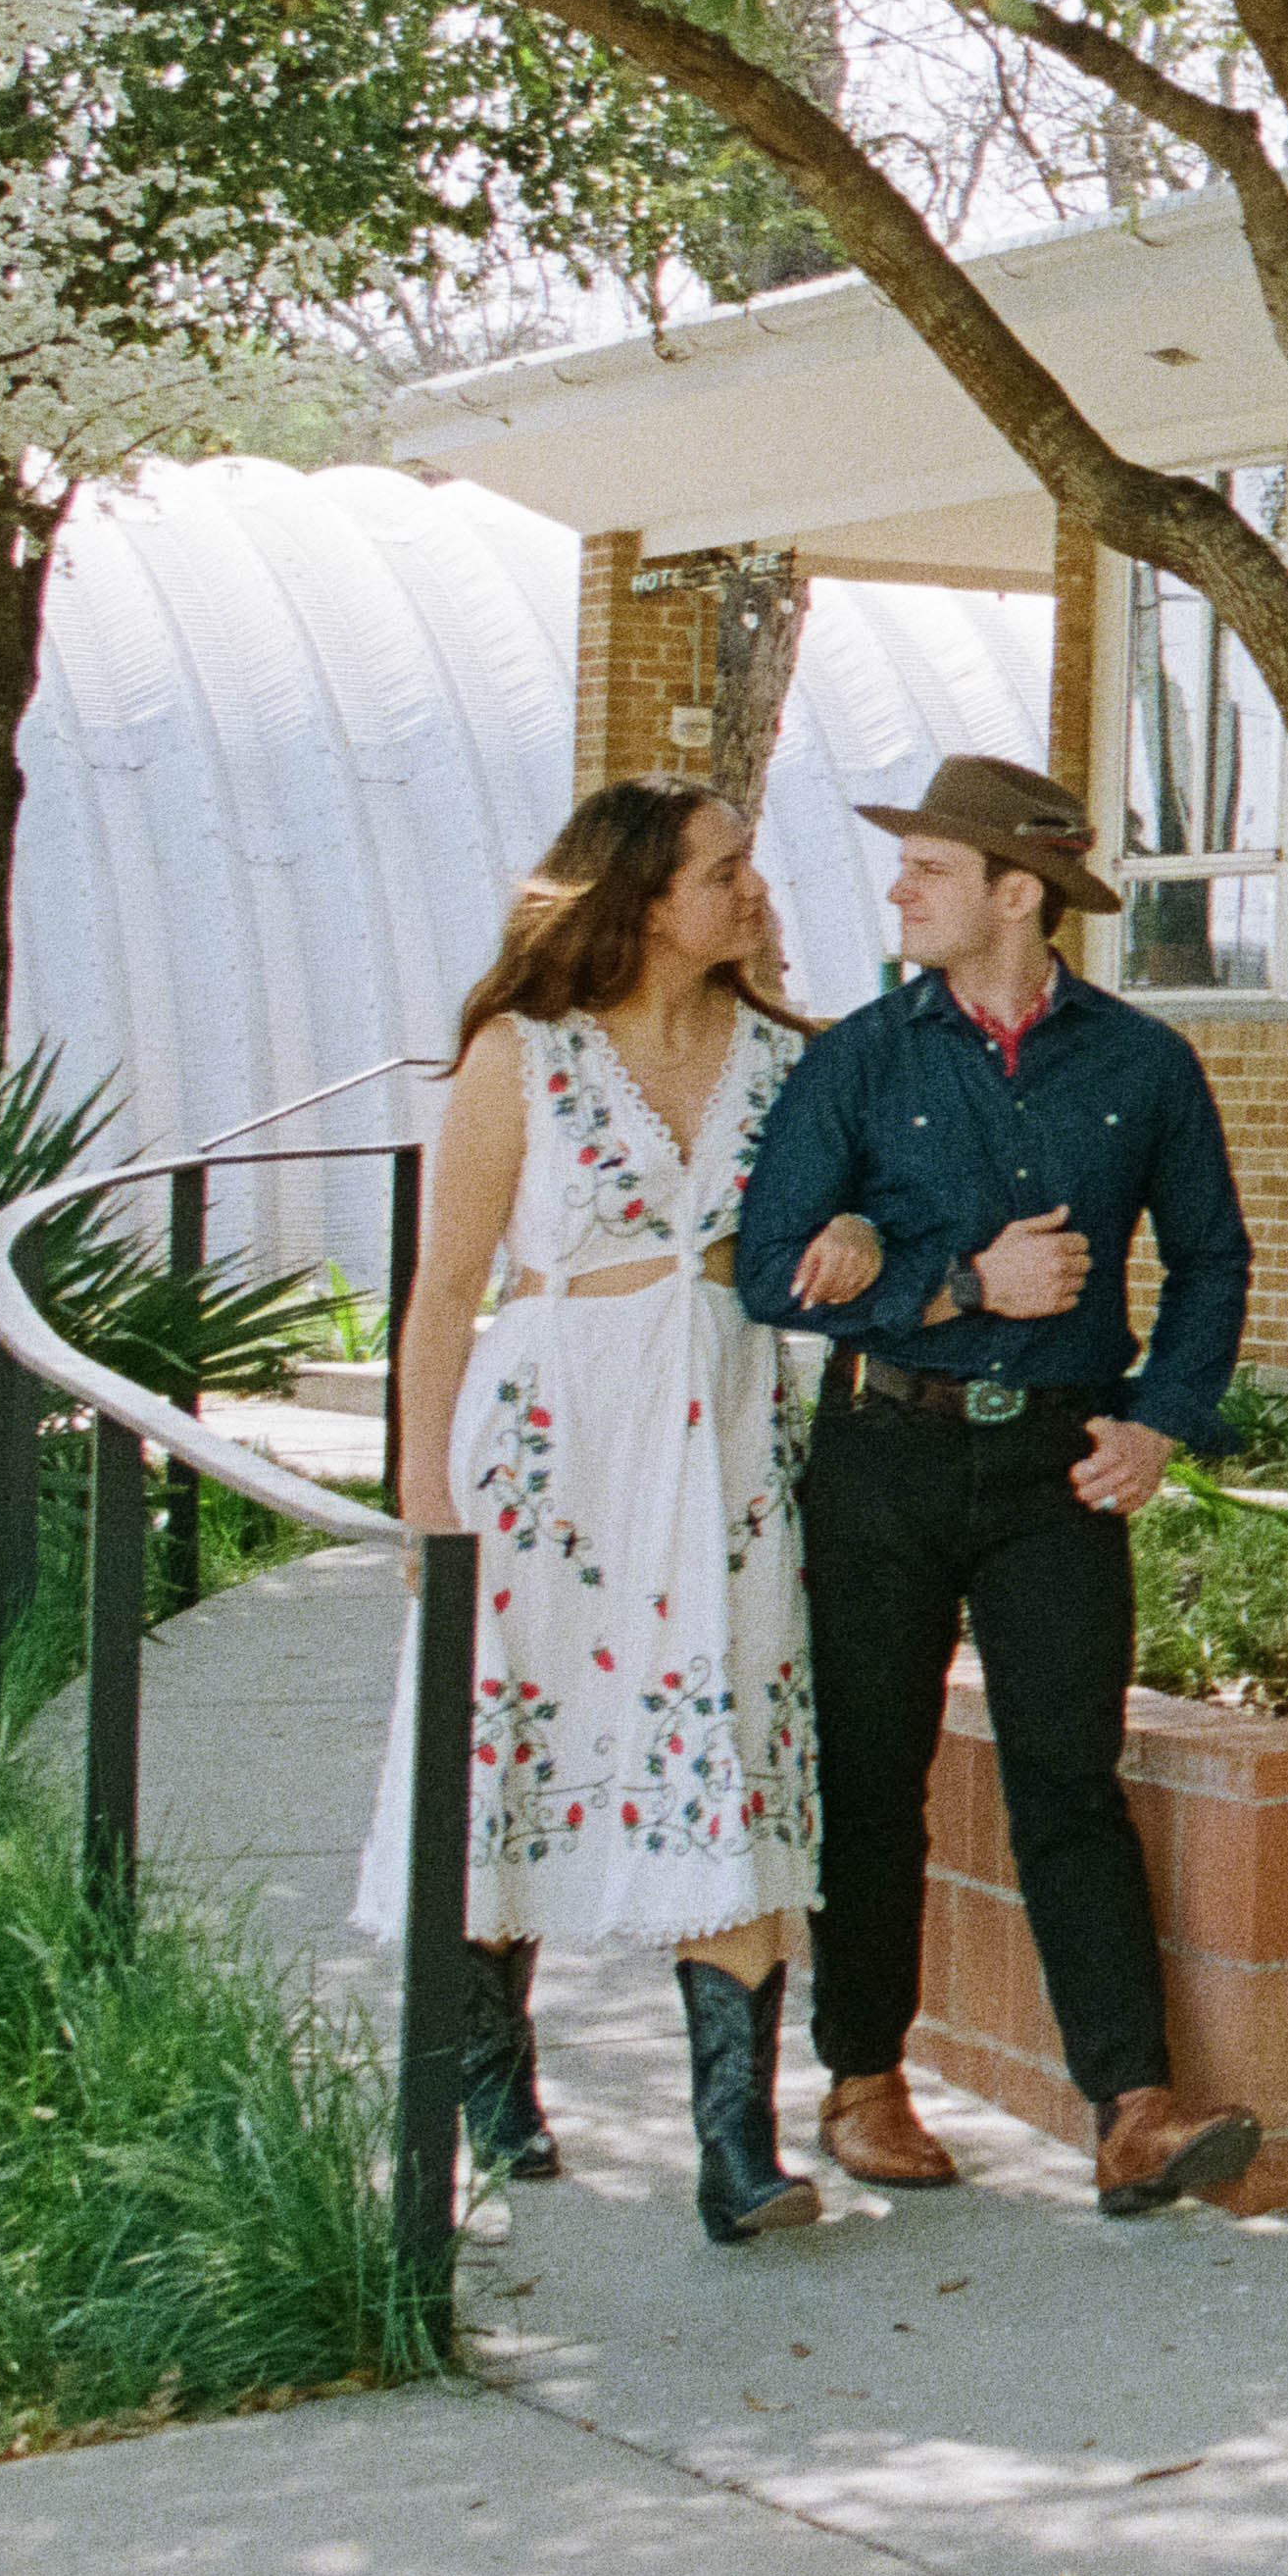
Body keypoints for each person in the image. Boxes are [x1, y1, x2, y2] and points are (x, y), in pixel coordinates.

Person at [735, 753, 1264, 2218]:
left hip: (1057, 1469)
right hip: (883, 1459)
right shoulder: (860, 1056)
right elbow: (768, 1269)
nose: (898, 888)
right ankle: (861, 2082)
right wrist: (960, 1283)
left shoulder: (1144, 1062)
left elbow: (1211, 1257)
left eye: (929, 868)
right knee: (869, 1776)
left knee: (1068, 1782)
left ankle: (1133, 2110)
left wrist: (1161, 1418)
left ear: (1016, 894)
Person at [363, 777, 876, 2245]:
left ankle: (736, 2150)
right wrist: (426, 1507)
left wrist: (852, 1226)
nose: (752, 890)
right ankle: (490, 2078)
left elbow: (861, 1214)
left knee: (722, 1750)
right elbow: (442, 1295)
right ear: (645, 897)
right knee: (508, 1745)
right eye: (724, 870)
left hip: (722, 1446)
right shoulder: (518, 1057)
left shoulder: (793, 1060)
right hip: (545, 1448)